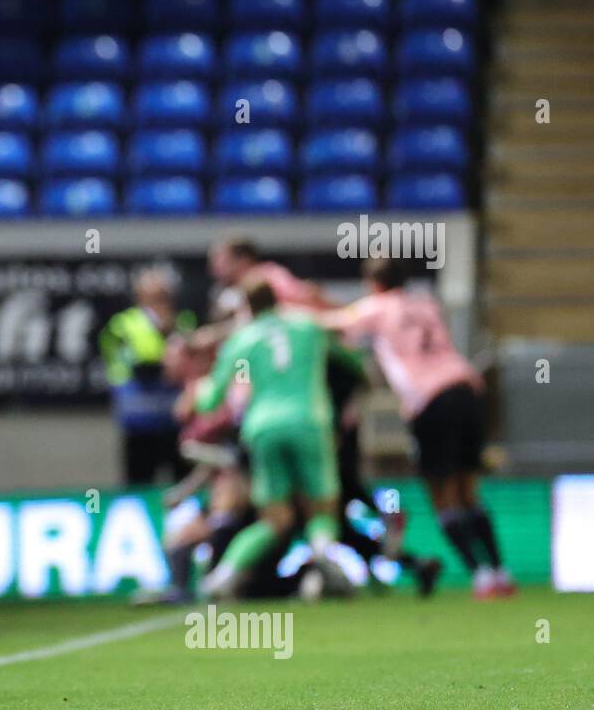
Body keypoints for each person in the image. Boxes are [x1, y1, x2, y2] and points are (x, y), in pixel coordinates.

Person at [320, 254, 512, 599]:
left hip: (431, 400)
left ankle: (481, 576)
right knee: (469, 489)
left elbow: (333, 323)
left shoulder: (377, 307)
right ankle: (500, 572)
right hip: (466, 388)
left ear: (372, 284)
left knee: (443, 494)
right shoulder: (426, 304)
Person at [189, 276, 350, 600]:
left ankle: (223, 576)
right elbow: (349, 357)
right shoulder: (307, 326)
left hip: (263, 427)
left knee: (274, 517)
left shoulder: (242, 340)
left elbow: (209, 401)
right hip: (310, 421)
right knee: (322, 507)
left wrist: (198, 387)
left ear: (247, 307)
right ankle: (321, 553)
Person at [98, 265, 192, 487]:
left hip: (176, 423)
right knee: (139, 486)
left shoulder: (185, 321)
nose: (163, 300)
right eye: (156, 295)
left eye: (165, 295)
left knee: (183, 485)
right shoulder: (123, 325)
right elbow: (130, 366)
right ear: (140, 296)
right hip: (140, 422)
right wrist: (165, 364)